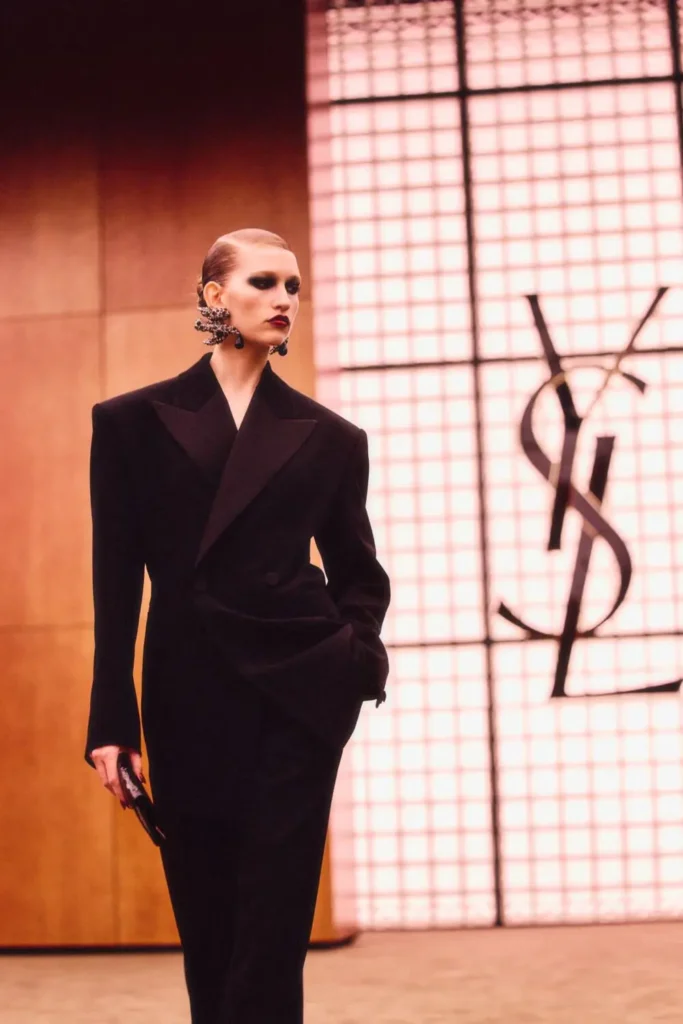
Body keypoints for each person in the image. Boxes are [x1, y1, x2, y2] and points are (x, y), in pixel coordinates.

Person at [84, 227, 391, 1024]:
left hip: (300, 693)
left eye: (293, 287)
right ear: (214, 295)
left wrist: (354, 659)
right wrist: (110, 722)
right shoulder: (129, 424)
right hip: (187, 690)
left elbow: (359, 573)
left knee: (273, 923)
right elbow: (115, 582)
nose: (284, 299)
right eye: (264, 282)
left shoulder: (332, 438)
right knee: (209, 918)